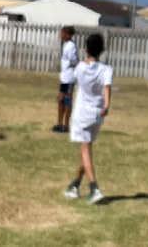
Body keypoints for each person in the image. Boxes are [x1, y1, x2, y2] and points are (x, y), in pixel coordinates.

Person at [63, 33, 112, 204]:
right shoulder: (106, 70)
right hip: (98, 114)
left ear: (86, 49)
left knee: (85, 149)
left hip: (82, 114)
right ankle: (74, 185)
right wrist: (106, 105)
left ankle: (93, 188)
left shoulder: (81, 68)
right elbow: (106, 87)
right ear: (103, 50)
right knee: (86, 150)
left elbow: (75, 73)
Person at [52, 26, 78, 133]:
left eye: (62, 33)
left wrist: (70, 68)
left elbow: (74, 61)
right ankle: (59, 123)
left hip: (69, 78)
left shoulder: (71, 46)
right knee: (60, 99)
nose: (60, 35)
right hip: (64, 77)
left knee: (67, 100)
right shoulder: (65, 45)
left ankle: (66, 125)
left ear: (67, 34)